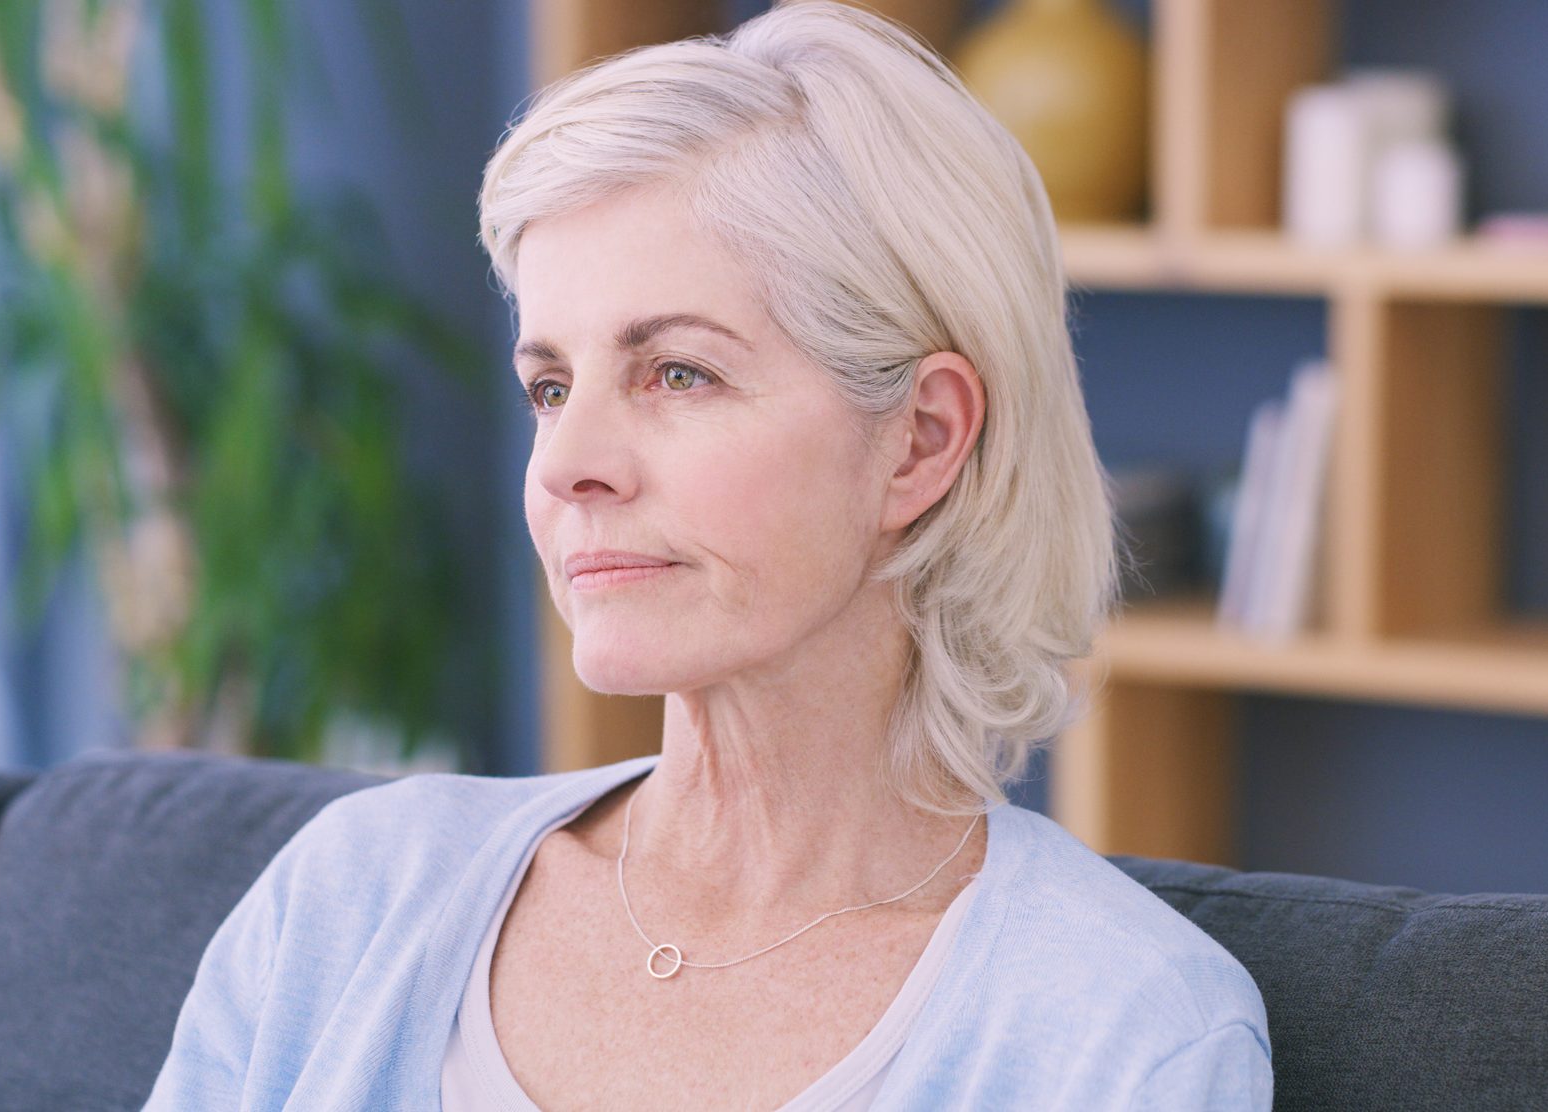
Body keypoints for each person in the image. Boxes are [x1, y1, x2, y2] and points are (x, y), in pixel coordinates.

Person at [143, 2, 1271, 1108]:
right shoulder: (351, 897)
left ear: (920, 441)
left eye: (677, 372)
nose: (565, 463)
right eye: (549, 386)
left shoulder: (1122, 1034)